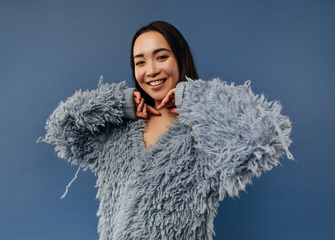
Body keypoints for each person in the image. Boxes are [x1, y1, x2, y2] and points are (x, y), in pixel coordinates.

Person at [38, 21, 294, 240]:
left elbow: (261, 135)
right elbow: (63, 131)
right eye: (140, 62)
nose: (151, 71)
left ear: (180, 59)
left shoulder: (205, 135)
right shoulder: (117, 133)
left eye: (161, 57)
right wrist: (117, 103)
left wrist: (190, 97)